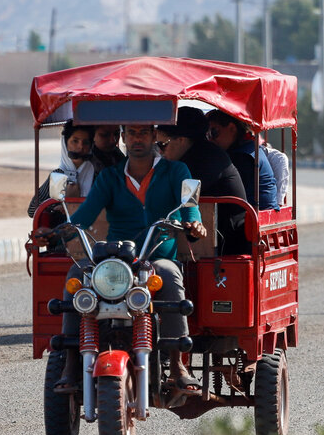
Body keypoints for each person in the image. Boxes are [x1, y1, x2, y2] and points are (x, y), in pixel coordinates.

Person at [45, 124, 208, 395]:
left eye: (144, 132)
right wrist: (54, 234)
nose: (137, 138)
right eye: (131, 133)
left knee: (168, 275)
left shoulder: (175, 171)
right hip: (117, 259)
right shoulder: (109, 177)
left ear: (155, 136)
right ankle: (72, 364)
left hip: (156, 257)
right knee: (78, 275)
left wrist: (194, 226)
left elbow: (190, 211)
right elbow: (83, 216)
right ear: (123, 138)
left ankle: (178, 365)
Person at [155, 107, 250, 254]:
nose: (160, 152)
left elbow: (184, 194)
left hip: (228, 243)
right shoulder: (190, 155)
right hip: (207, 238)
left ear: (181, 140)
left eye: (162, 144)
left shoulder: (206, 158)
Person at [206, 109, 279, 210]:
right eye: (207, 135)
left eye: (213, 132)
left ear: (232, 128)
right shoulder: (247, 148)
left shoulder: (242, 156)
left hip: (252, 217)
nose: (210, 139)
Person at [27, 121, 96, 218]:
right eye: (75, 141)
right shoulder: (57, 175)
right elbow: (32, 210)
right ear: (65, 143)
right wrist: (59, 205)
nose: (81, 146)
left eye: (85, 142)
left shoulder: (97, 174)